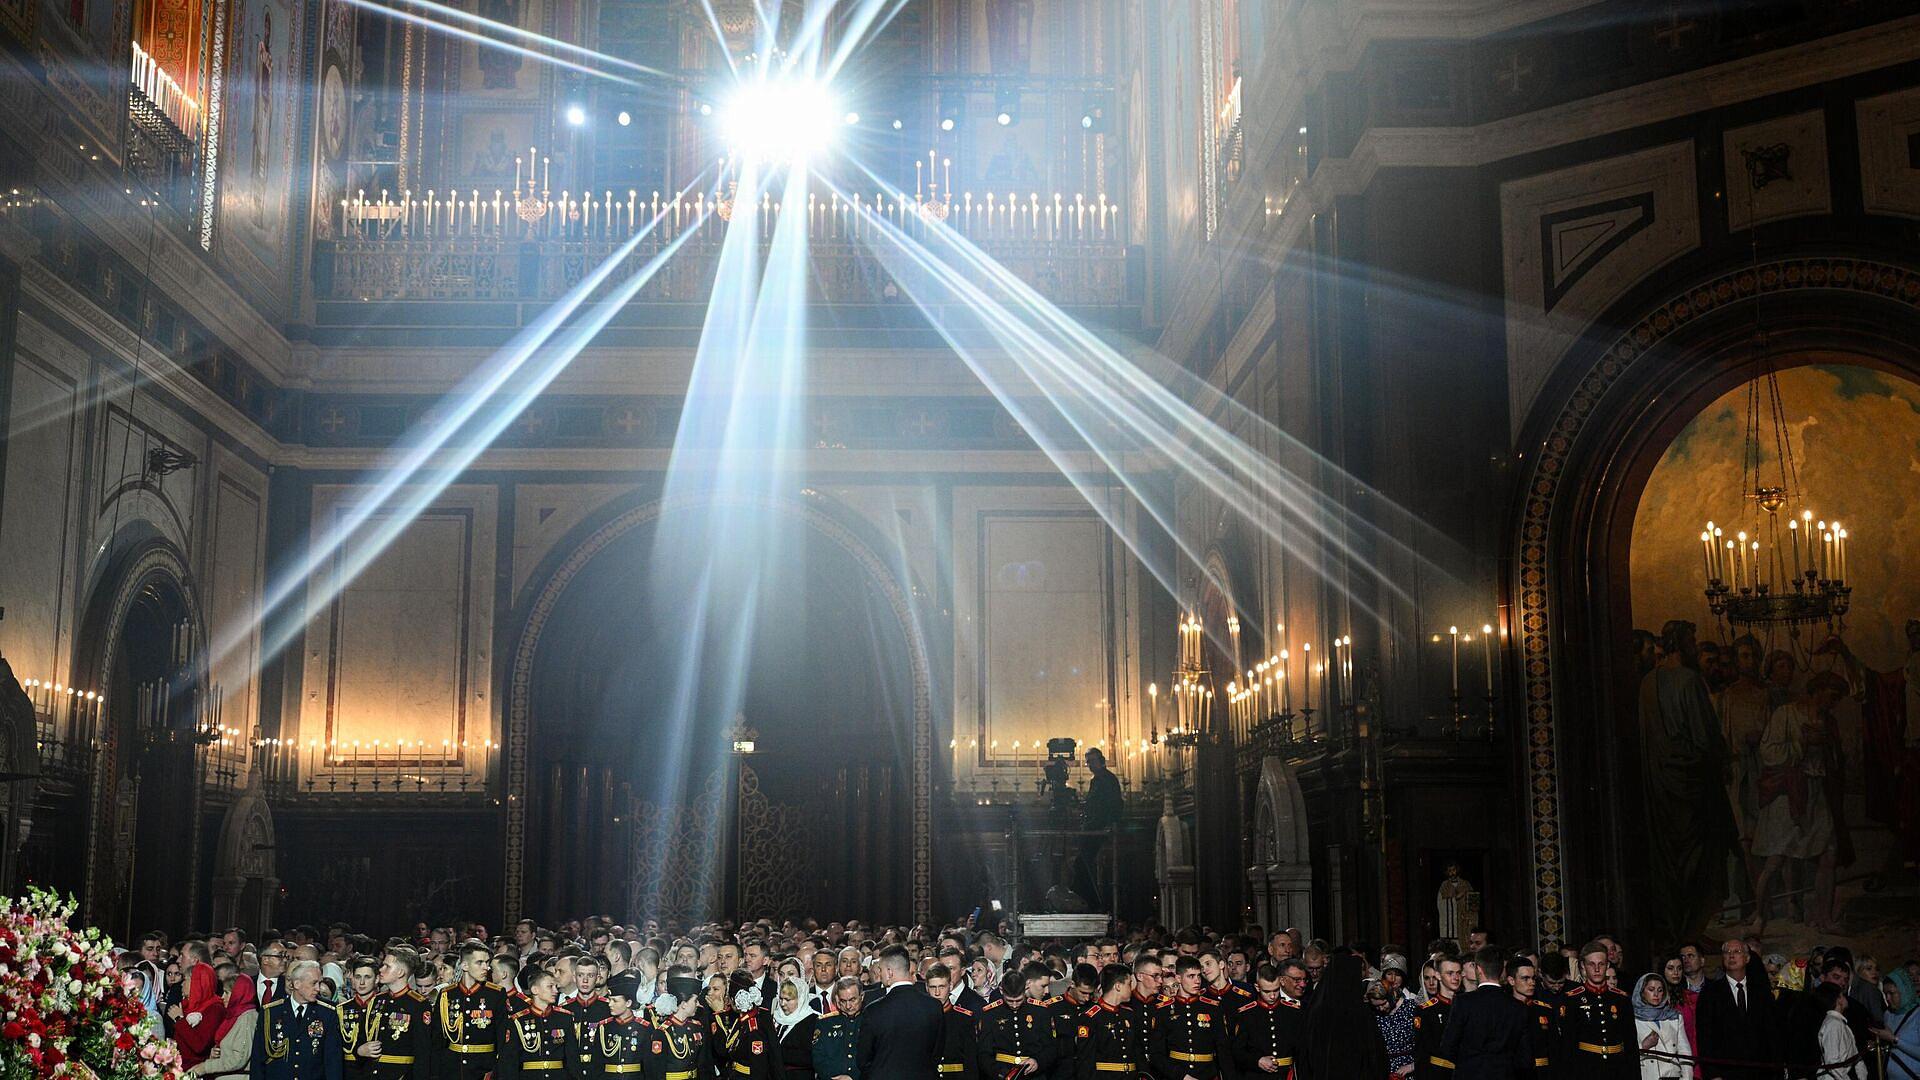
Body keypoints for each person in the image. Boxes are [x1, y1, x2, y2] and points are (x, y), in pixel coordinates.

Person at [1436, 947, 1525, 1080]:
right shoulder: (1518, 1007)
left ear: (1479, 969)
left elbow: (1447, 1048)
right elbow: (1525, 1057)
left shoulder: (1463, 1002)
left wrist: (1468, 1064)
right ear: (1502, 970)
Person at [1554, 941, 1639, 1078]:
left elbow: (1631, 1045)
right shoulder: (1572, 999)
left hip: (1617, 1069)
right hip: (1585, 1069)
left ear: (1608, 965)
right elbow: (1567, 1047)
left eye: (1601, 964)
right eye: (1591, 964)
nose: (1597, 969)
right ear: (1582, 966)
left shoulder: (1621, 999)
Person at [1692, 940, 1773, 1080]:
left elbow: (1772, 1034)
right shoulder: (1710, 993)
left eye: (1737, 952)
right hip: (1725, 1073)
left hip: (1761, 1072)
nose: (1731, 956)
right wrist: (1713, 1074)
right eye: (1727, 952)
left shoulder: (1762, 992)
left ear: (1747, 958)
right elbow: (1705, 1037)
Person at [1298, 953, 1387, 1080]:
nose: (1365, 975)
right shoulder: (1361, 1013)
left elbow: (1305, 1055)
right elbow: (1376, 1059)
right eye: (1360, 971)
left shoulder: (1316, 1010)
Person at [858, 946, 942, 1080]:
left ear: (890, 972)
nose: (879, 974)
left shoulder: (874, 1010)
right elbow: (937, 1053)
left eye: (880, 970)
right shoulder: (934, 1006)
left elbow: (863, 1059)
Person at [253, 960, 344, 1080]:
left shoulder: (327, 1013)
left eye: (319, 982)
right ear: (297, 984)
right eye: (313, 983)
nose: (318, 988)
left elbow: (333, 1061)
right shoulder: (271, 1012)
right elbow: (258, 1058)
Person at [435, 942, 513, 1080]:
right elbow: (437, 1038)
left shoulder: (495, 994)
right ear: (465, 965)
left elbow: (503, 1038)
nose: (486, 967)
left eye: (487, 962)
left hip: (484, 1069)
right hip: (452, 1069)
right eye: (480, 962)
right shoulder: (447, 994)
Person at [361, 946, 432, 1080]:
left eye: (387, 966)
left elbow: (423, 1051)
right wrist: (360, 1050)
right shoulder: (377, 1000)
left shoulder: (418, 1004)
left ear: (400, 972)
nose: (381, 969)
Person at [497, 967, 580, 1080]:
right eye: (550, 987)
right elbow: (510, 1062)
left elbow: (572, 1059)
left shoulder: (565, 1018)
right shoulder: (518, 1020)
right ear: (535, 990)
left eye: (555, 986)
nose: (555, 991)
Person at [193, 965, 260, 1079]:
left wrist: (205, 1067)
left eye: (227, 992)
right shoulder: (234, 1017)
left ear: (238, 994)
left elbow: (238, 1058)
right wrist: (216, 1053)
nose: (222, 997)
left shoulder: (247, 1018)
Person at [1630, 975, 1692, 1080]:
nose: (1656, 994)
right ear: (1641, 992)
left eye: (1660, 990)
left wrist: (1687, 1078)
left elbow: (1685, 1052)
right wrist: (1643, 1046)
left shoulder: (1674, 1017)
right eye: (1651, 989)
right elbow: (1626, 1058)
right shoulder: (1632, 1019)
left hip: (1674, 1076)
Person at [180, 943, 229, 1070]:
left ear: (198, 983)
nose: (182, 984)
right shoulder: (186, 1006)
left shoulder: (215, 1009)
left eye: (186, 980)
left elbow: (199, 1045)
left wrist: (179, 1019)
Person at [1412, 956, 1461, 1079]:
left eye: (1459, 973)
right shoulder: (1426, 1010)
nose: (1456, 978)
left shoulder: (1468, 1005)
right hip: (1438, 1073)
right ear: (1439, 975)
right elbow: (1421, 1053)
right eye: (1450, 973)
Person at [815, 977, 865, 1080]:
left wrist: (853, 1077)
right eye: (843, 1001)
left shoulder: (871, 1021)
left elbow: (876, 1057)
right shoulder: (825, 1023)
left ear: (862, 997)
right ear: (837, 999)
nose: (848, 1006)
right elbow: (818, 1057)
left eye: (852, 1000)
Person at [770, 976, 820, 1080]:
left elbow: (812, 1057)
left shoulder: (813, 1020)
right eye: (781, 998)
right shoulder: (775, 1017)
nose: (783, 1004)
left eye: (788, 1000)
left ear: (800, 999)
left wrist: (777, 1052)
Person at [1367, 976, 1417, 1078]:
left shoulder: (1411, 1008)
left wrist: (1412, 1066)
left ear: (1391, 996)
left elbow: (1426, 1043)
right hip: (1384, 1069)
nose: (1380, 1009)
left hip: (1409, 1068)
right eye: (1376, 1006)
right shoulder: (1374, 1015)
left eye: (1383, 1003)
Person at [1815, 984, 1864, 1080]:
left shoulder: (1839, 1023)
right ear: (1839, 999)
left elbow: (1855, 1056)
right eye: (1843, 995)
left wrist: (1862, 1075)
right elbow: (1833, 1062)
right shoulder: (1833, 1024)